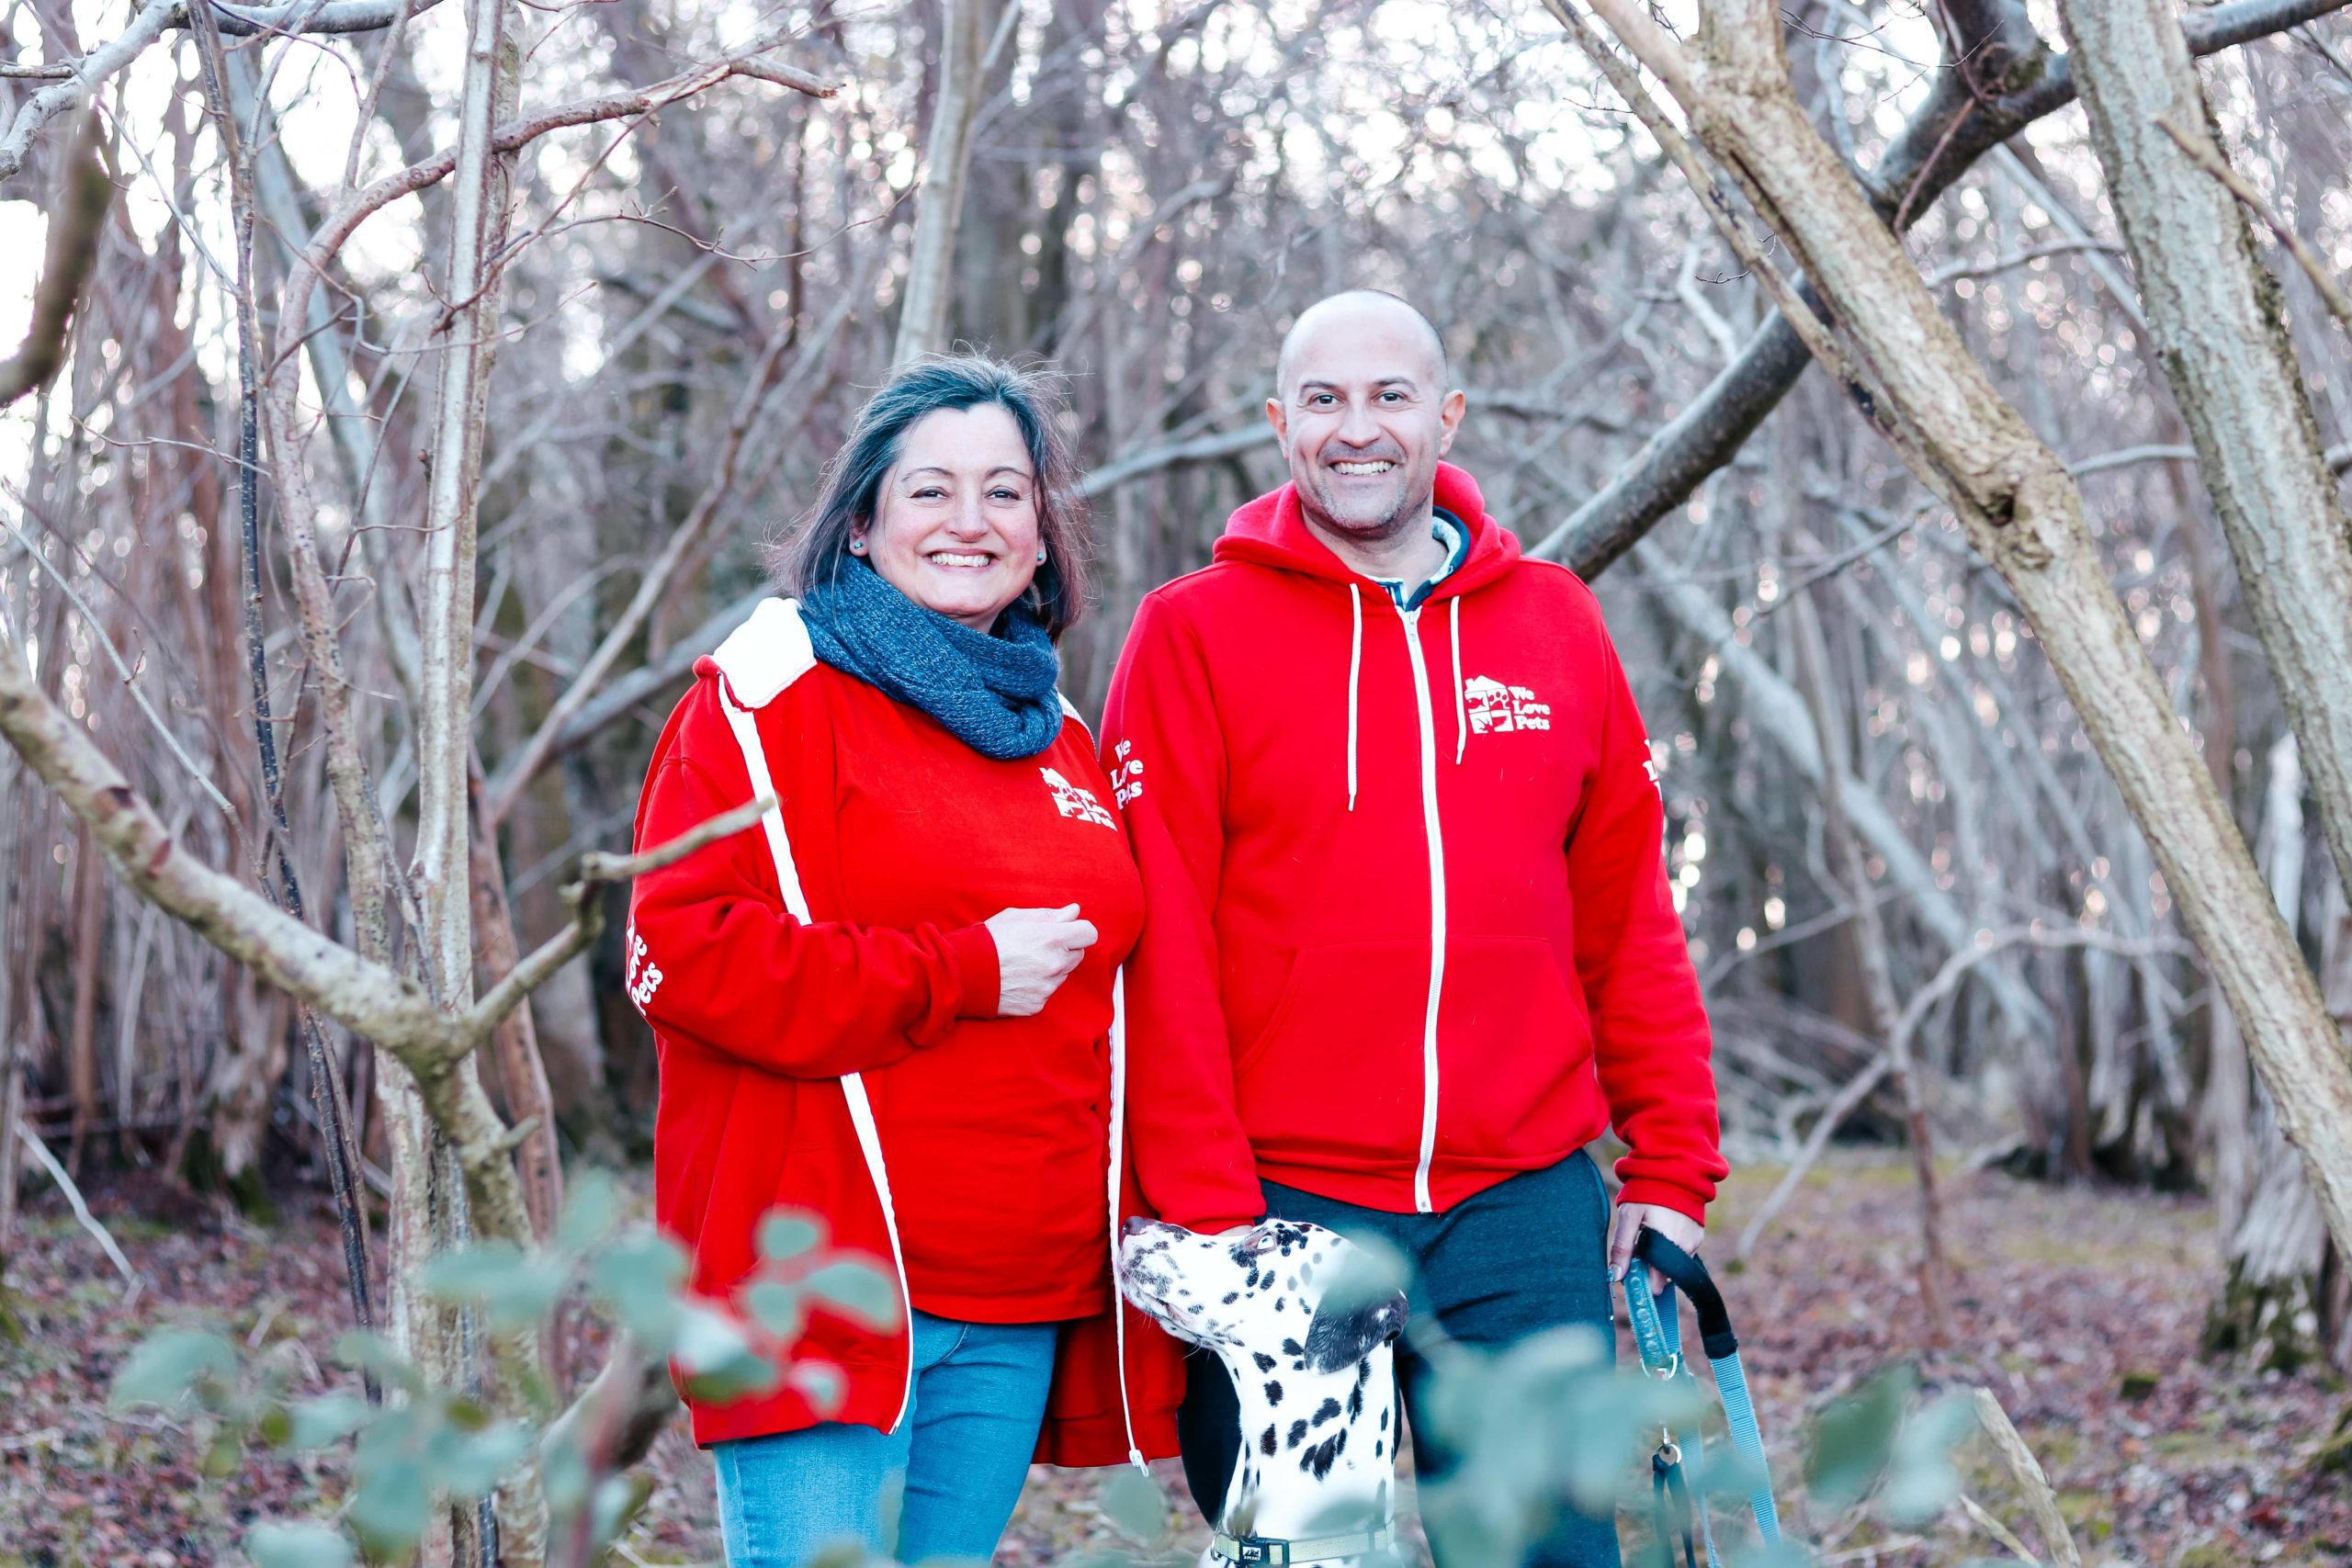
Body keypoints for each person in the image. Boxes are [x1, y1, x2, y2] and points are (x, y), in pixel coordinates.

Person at [1102, 291, 1727, 1567]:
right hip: (1283, 1210)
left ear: (1446, 414)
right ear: (1279, 425)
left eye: (1390, 397)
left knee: (1544, 1553)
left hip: (1522, 1207)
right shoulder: (1192, 632)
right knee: (1303, 1556)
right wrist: (1213, 1208)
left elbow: (1624, 915)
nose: (1357, 429)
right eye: (1323, 401)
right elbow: (1156, 940)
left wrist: (1671, 1166)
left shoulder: (1555, 624)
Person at [628, 355, 1179, 1567]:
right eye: (930, 492)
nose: (969, 523)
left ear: (1044, 534)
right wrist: (959, 973)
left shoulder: (1065, 740)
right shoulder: (771, 697)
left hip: (1019, 1296)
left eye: (1005, 493)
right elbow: (678, 954)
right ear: (864, 526)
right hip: (825, 1281)